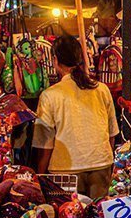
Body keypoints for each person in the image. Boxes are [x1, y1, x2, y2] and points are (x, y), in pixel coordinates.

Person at [33, 36, 118, 199]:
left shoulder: (50, 95)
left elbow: (44, 144)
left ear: (55, 59)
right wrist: (104, 158)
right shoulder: (102, 89)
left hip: (65, 171)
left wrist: (40, 176)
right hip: (101, 166)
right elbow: (112, 133)